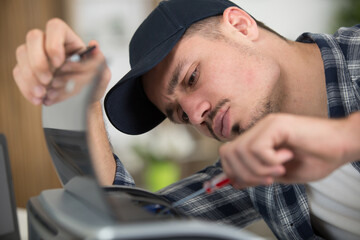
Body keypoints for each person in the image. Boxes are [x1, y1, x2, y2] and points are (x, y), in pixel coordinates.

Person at [12, 0, 360, 239]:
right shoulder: (252, 171)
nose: (195, 116)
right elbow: (130, 227)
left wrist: (343, 138)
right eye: (178, 115)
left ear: (240, 25)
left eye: (192, 77)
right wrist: (80, 103)